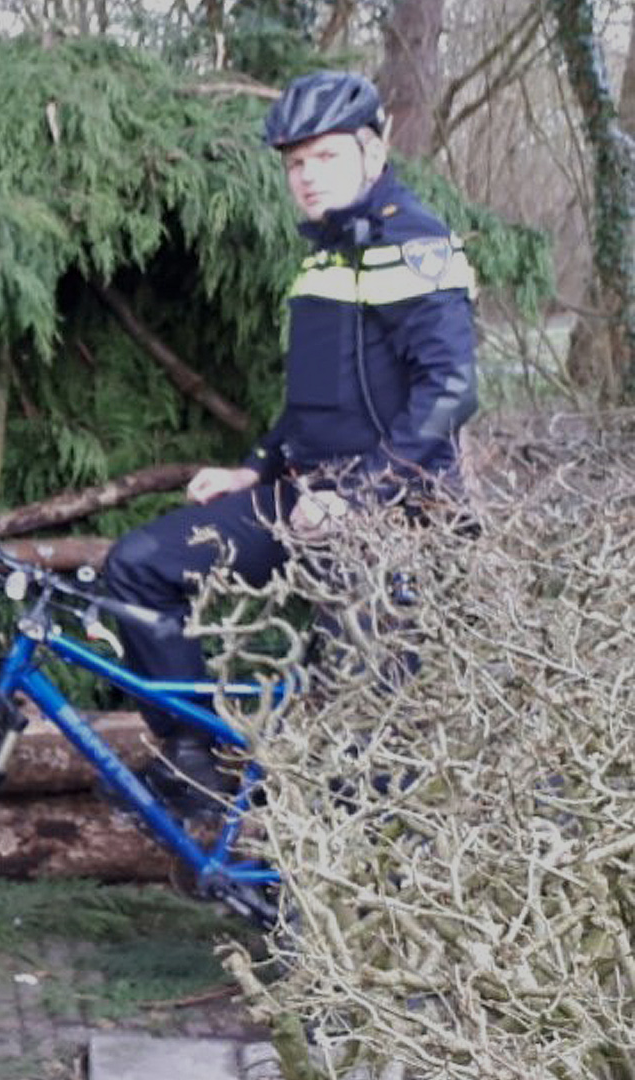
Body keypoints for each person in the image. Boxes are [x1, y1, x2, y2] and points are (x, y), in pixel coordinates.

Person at [103, 70, 478, 803]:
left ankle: (333, 897)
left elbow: (452, 392)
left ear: (376, 148)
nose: (306, 177)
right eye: (295, 163)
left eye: (326, 157)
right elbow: (317, 396)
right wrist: (254, 468)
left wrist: (359, 498)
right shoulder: (327, 252)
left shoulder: (418, 243)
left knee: (360, 747)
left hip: (399, 517)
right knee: (139, 567)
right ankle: (195, 757)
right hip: (302, 494)